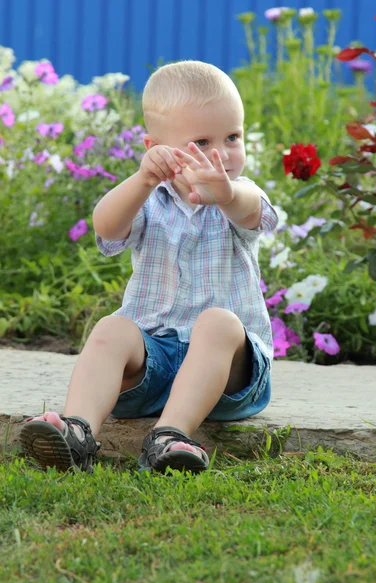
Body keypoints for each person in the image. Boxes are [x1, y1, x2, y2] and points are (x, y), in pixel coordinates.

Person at [20, 60, 278, 474]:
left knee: (218, 323)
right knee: (111, 328)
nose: (222, 155)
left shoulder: (239, 195)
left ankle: (170, 437)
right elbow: (106, 227)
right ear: (156, 148)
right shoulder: (148, 199)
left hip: (230, 377)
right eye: (202, 142)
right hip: (154, 365)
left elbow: (253, 215)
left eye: (233, 137)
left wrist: (227, 195)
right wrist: (141, 181)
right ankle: (77, 431)